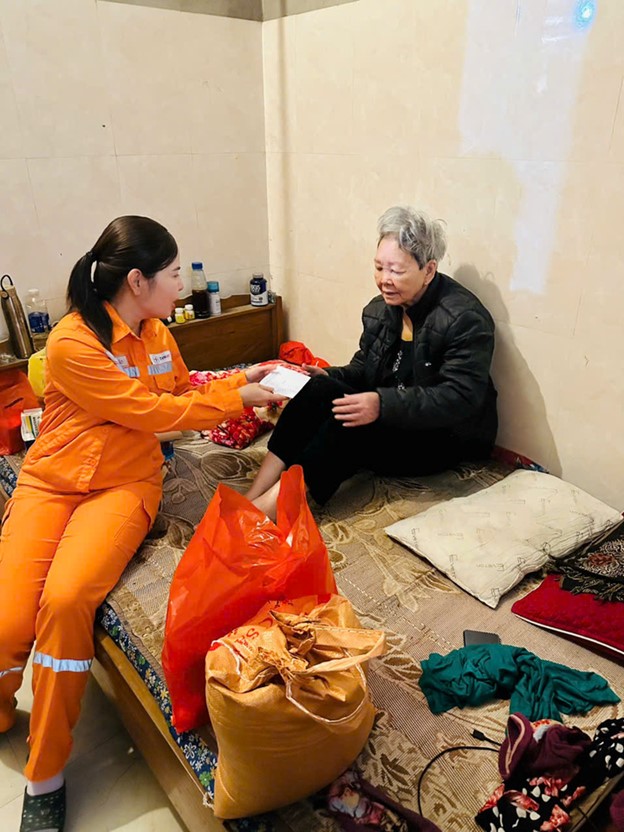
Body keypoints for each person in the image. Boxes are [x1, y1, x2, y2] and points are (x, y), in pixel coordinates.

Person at [0, 215, 280, 832]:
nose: (181, 284)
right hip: (52, 482)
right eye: (173, 273)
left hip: (126, 486)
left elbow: (180, 391)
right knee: (9, 621)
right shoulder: (73, 343)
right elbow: (149, 410)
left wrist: (244, 379)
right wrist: (233, 400)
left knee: (67, 600)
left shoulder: (158, 335)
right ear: (137, 280)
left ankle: (45, 775)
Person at [247, 205, 498, 519]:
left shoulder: (464, 318)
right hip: (395, 414)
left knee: (349, 421)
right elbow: (364, 369)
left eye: (396, 271)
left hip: (443, 436)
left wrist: (382, 405)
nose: (384, 280)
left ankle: (269, 508)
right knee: (316, 390)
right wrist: (326, 375)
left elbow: (459, 398)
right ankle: (254, 494)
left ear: (429, 270)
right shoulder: (381, 310)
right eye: (379, 268)